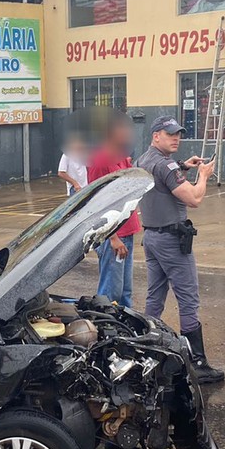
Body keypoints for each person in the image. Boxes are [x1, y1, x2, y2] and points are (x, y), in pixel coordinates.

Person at [137, 116, 224, 384]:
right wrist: (203, 176)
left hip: (151, 237)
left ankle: (145, 350)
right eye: (170, 134)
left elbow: (163, 178)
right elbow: (195, 198)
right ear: (156, 136)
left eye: (178, 134)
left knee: (155, 296)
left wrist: (185, 166)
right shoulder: (164, 165)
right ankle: (197, 363)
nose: (177, 138)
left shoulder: (144, 160)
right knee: (188, 299)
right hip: (171, 242)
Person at [86, 112, 139, 306]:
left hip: (127, 231)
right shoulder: (100, 160)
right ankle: (104, 328)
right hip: (114, 236)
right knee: (110, 294)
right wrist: (113, 238)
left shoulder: (122, 157)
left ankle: (127, 332)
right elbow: (97, 203)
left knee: (125, 292)